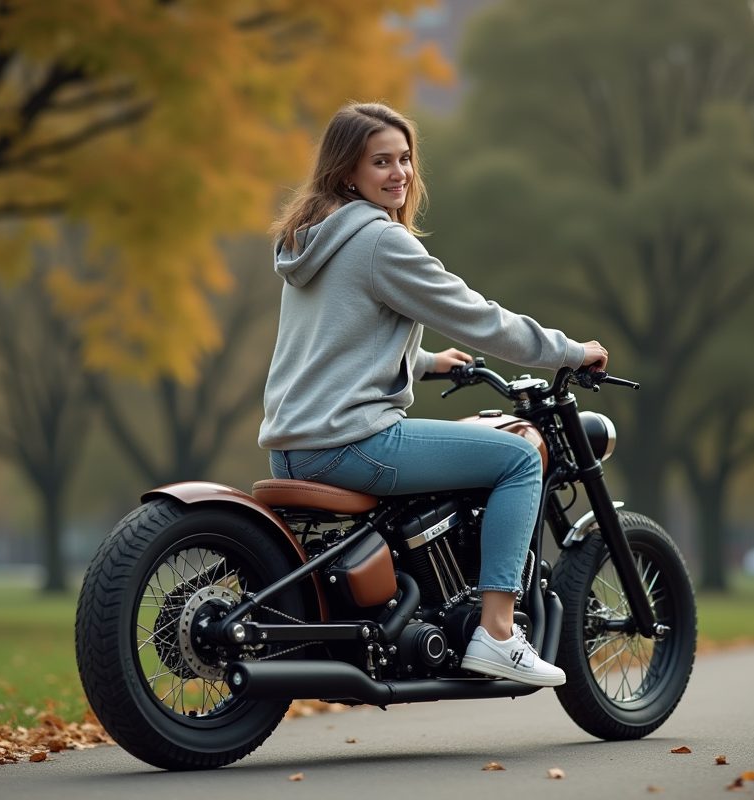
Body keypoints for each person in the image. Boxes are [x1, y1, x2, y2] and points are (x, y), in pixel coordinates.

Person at [259, 102, 608, 687]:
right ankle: (498, 633)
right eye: (381, 162)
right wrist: (568, 351)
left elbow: (328, 345)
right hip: (353, 443)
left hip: (294, 448)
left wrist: (422, 363)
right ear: (348, 171)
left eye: (405, 159)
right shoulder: (380, 241)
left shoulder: (311, 241)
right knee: (520, 458)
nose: (399, 173)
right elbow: (478, 319)